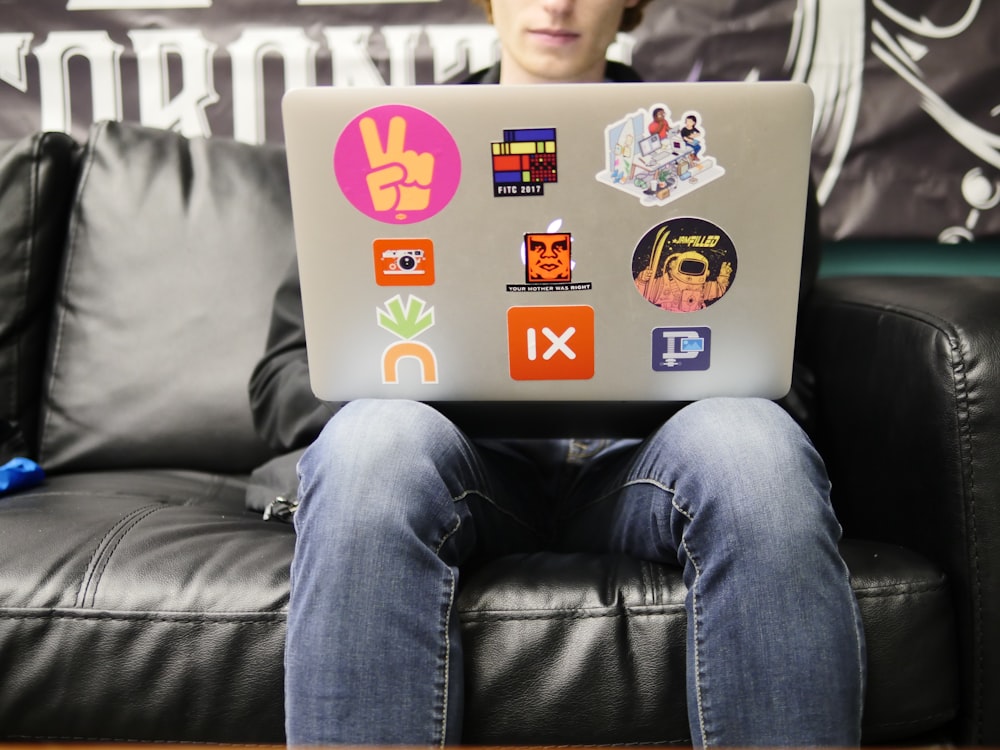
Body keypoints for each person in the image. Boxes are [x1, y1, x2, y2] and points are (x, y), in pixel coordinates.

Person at [248, 0, 866, 746]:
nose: (557, 3)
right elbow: (283, 380)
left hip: (643, 468)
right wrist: (410, 386)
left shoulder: (726, 147)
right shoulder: (390, 145)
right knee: (372, 443)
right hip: (462, 469)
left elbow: (784, 372)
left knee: (754, 445)